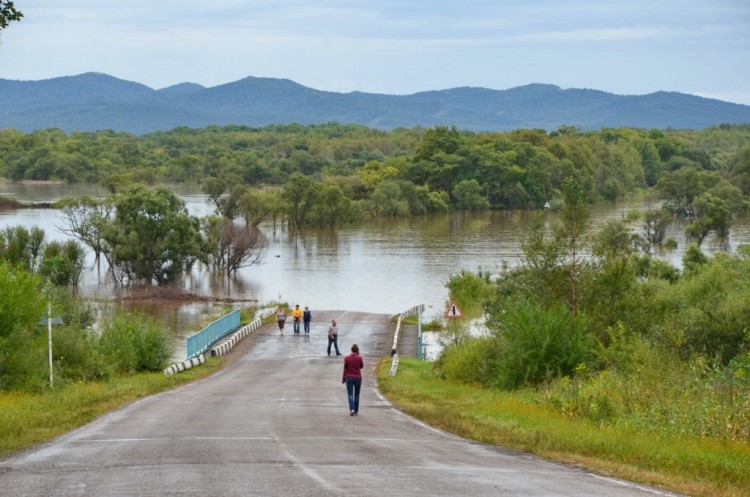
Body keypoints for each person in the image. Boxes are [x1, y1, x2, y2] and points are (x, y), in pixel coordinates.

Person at [342, 344, 364, 416]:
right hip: (358, 377)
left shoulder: (346, 358)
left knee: (350, 394)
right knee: (357, 395)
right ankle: (356, 411)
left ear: (351, 350)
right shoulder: (359, 358)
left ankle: (352, 409)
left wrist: (343, 378)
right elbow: (361, 366)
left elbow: (345, 369)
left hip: (349, 378)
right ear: (357, 350)